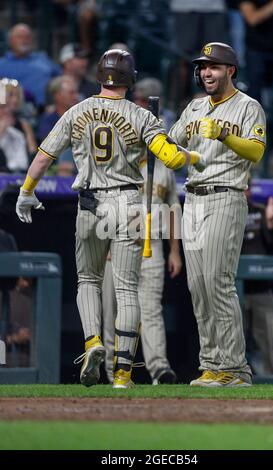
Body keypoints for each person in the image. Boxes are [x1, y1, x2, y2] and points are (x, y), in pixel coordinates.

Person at [15, 49, 201, 389]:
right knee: (128, 288)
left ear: (100, 77)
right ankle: (122, 375)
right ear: (130, 80)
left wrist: (27, 191)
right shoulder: (141, 115)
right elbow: (173, 160)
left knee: (88, 279)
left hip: (90, 203)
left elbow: (44, 155)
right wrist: (191, 153)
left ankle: (92, 342)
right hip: (129, 202)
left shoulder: (78, 110)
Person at [169, 42, 266, 387]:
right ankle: (212, 364)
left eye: (214, 67)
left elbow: (255, 151)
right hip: (192, 198)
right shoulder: (194, 108)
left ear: (231, 71)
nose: (207, 72)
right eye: (203, 67)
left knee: (217, 281)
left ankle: (235, 368)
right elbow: (171, 143)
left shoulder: (248, 107)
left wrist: (225, 134)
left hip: (225, 195)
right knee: (198, 286)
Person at [102, 155, 182, 385]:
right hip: (117, 243)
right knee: (113, 313)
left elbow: (173, 209)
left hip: (152, 244)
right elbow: (102, 203)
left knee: (151, 310)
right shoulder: (115, 159)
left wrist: (174, 250)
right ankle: (113, 372)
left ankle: (159, 369)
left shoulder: (164, 167)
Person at [242, 188, 273, 374]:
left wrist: (271, 220)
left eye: (246, 187)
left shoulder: (260, 211)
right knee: (230, 342)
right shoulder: (224, 214)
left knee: (272, 341)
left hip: (260, 290)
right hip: (232, 291)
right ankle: (229, 378)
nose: (244, 191)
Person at [0, 23, 60, 109]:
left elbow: (62, 79)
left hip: (49, 108)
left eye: (27, 37)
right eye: (19, 37)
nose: (24, 40)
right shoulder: (2, 64)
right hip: (18, 110)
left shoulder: (43, 58)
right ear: (10, 41)